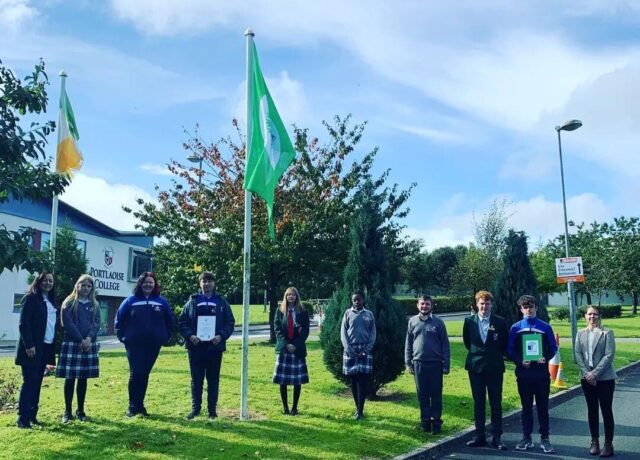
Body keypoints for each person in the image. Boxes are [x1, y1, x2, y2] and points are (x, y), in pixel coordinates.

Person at [115, 271, 174, 417]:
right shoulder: (130, 301)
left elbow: (169, 320)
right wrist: (123, 337)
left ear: (155, 285)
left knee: (145, 374)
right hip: (134, 344)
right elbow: (119, 320)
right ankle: (132, 406)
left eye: (151, 282)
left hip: (153, 344)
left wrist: (164, 336)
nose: (148, 285)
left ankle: (140, 406)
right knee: (136, 373)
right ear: (140, 284)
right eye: (145, 282)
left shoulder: (161, 301)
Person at [179, 271, 235, 420]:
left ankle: (212, 411)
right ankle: (195, 409)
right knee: (196, 380)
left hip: (214, 348)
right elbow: (182, 322)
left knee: (213, 379)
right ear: (200, 283)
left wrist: (221, 336)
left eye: (209, 281)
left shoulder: (221, 301)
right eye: (204, 281)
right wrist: (190, 336)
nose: (207, 284)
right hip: (195, 347)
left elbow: (230, 322)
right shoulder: (192, 301)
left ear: (214, 283)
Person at [508, 295, 558, 453]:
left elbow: (553, 347)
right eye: (525, 307)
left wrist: (546, 357)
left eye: (531, 306)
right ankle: (526, 438)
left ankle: (545, 438)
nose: (528, 310)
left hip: (542, 375)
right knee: (526, 408)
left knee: (543, 408)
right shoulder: (515, 328)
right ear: (521, 309)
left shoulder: (545, 327)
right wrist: (520, 361)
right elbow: (510, 349)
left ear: (536, 307)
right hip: (524, 375)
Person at [463, 290, 508, 450]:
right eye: (481, 303)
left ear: (491, 305)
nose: (484, 306)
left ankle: (497, 437)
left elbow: (503, 344)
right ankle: (479, 436)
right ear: (477, 305)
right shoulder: (469, 322)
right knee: (479, 403)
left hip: (494, 367)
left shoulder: (500, 322)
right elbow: (468, 343)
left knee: (496, 402)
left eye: (487, 303)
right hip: (476, 368)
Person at [14, 271, 58, 429]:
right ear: (38, 282)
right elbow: (23, 323)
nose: (48, 283)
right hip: (32, 348)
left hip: (45, 347)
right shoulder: (31, 298)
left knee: (38, 381)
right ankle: (22, 418)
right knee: (29, 381)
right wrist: (29, 345)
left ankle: (33, 415)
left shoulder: (50, 301)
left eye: (50, 281)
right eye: (45, 280)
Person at [56, 274, 101, 423]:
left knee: (83, 379)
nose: (86, 288)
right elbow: (67, 324)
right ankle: (67, 412)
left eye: (89, 286)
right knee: (70, 379)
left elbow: (96, 323)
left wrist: (88, 339)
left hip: (88, 345)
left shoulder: (94, 304)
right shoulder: (69, 303)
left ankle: (80, 410)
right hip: (72, 343)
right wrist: (80, 339)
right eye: (83, 285)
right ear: (77, 285)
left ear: (92, 288)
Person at [575, 306, 617, 457]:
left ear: (599, 316)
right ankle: (594, 442)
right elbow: (578, 354)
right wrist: (587, 373)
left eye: (595, 314)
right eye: (589, 314)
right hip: (586, 379)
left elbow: (609, 355)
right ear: (585, 316)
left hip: (605, 378)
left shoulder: (607, 333)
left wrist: (595, 373)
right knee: (592, 410)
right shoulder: (580, 333)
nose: (592, 317)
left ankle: (608, 443)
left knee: (606, 410)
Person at [405, 294, 450, 434]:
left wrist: (446, 364)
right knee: (422, 394)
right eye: (422, 304)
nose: (424, 306)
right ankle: (425, 422)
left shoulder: (438, 322)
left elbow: (445, 345)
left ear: (432, 306)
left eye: (427, 304)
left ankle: (436, 422)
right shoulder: (412, 322)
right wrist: (408, 363)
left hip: (436, 364)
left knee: (436, 394)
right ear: (418, 305)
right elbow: (408, 344)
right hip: (418, 363)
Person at [272, 287, 310, 415]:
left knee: (297, 380)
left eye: (293, 295)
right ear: (285, 297)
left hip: (297, 350)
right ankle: (285, 407)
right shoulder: (280, 311)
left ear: (297, 297)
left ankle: (294, 407)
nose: (291, 297)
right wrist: (286, 344)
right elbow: (277, 329)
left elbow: (305, 331)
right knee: (283, 380)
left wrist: (295, 344)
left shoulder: (303, 312)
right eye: (288, 295)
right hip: (284, 350)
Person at [341, 289, 376, 420]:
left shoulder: (369, 314)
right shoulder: (347, 313)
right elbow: (343, 333)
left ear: (363, 300)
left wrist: (365, 350)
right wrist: (350, 350)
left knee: (362, 382)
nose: (356, 302)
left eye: (359, 299)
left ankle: (361, 410)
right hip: (350, 351)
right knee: (354, 381)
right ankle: (356, 408)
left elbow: (373, 335)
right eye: (354, 299)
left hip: (364, 351)